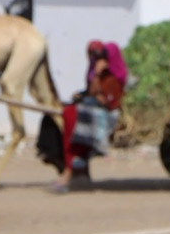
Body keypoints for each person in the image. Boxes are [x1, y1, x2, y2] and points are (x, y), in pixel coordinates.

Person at [50, 40, 127, 193]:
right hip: (94, 103)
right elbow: (92, 91)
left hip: (107, 108)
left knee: (72, 116)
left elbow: (109, 98)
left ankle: (70, 169)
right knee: (66, 113)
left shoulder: (116, 71)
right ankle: (72, 166)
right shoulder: (95, 68)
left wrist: (99, 75)